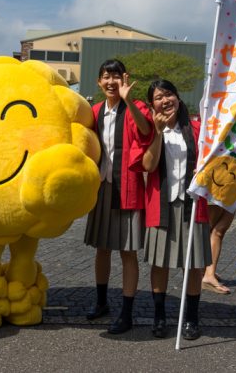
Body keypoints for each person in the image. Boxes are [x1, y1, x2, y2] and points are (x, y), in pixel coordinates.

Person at [84, 59, 153, 334]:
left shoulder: (136, 108)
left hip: (128, 187)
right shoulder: (95, 111)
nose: (110, 81)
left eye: (115, 76)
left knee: (127, 251)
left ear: (124, 79)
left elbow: (147, 131)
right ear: (99, 82)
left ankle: (127, 312)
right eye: (105, 77)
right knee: (101, 248)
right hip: (101, 187)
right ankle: (101, 302)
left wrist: (131, 101)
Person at [140, 79, 211, 340]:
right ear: (152, 105)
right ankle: (159, 317)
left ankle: (191, 319)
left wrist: (203, 169)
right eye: (159, 97)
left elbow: (213, 163)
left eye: (169, 94)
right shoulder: (148, 129)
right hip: (161, 204)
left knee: (193, 264)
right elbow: (148, 165)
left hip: (193, 205)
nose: (165, 100)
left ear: (178, 98)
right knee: (160, 263)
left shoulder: (197, 129)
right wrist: (157, 133)